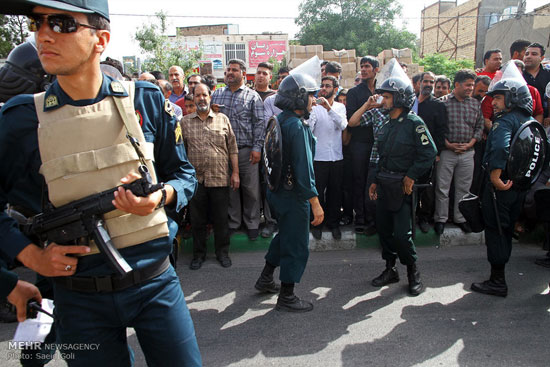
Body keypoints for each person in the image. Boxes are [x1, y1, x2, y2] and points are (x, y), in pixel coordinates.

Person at [0, 1, 201, 365]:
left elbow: (185, 175)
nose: (43, 34)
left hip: (156, 283)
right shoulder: (20, 119)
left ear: (100, 39)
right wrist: (30, 258)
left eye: (61, 23)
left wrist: (160, 198)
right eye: (37, 22)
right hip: (77, 299)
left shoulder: (146, 100)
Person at [254, 72, 324, 312]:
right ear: (299, 97)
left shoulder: (279, 119)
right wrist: (314, 202)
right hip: (294, 195)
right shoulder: (297, 126)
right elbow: (304, 170)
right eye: (311, 97)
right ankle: (287, 296)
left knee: (284, 235)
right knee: (295, 243)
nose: (314, 101)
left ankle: (265, 277)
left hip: (277, 192)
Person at [368, 70, 437, 296]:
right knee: (385, 231)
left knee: (402, 235)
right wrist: (375, 181)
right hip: (384, 183)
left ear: (399, 98)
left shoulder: (414, 123)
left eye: (387, 97)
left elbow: (429, 152)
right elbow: (381, 156)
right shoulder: (386, 124)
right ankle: (390, 269)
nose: (383, 100)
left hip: (402, 186)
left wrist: (411, 175)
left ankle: (413, 273)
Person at [471, 73, 537, 297]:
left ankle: (497, 281)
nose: (494, 102)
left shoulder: (505, 121)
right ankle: (498, 276)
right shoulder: (531, 122)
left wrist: (495, 176)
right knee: (506, 230)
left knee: (496, 230)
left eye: (498, 98)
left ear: (513, 98)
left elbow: (500, 147)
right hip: (519, 188)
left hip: (501, 189)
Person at [181, 83, 239, 270]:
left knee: (221, 220)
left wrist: (235, 172)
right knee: (198, 221)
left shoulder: (223, 119)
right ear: (193, 98)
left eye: (204, 95)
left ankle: (223, 253)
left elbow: (233, 149)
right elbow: (181, 152)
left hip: (219, 177)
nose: (201, 99)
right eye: (197, 96)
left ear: (210, 97)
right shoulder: (185, 122)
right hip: (196, 180)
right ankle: (198, 255)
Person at [211, 59, 265, 240]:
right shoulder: (217, 95)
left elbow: (259, 124)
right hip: (223, 151)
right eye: (228, 70)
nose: (230, 73)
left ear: (243, 73)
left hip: (246, 150)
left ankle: (252, 223)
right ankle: (234, 222)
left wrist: (257, 148)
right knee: (230, 189)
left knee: (251, 188)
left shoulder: (252, 96)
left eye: (234, 70)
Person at [434, 69, 484, 235]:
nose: (471, 88)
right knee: (442, 187)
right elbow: (438, 128)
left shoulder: (475, 104)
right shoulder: (443, 102)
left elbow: (479, 127)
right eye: (467, 85)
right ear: (457, 84)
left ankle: (460, 218)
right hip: (447, 152)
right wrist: (447, 145)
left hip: (467, 152)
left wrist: (471, 143)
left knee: (463, 188)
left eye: (472, 85)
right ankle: (441, 219)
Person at [309, 76, 348, 240]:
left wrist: (329, 109)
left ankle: (333, 223)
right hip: (319, 158)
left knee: (335, 192)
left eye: (327, 86)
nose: (323, 88)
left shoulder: (340, 107)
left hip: (337, 158)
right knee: (318, 193)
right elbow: (310, 128)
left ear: (335, 89)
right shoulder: (315, 107)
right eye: (322, 86)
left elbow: (343, 125)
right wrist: (313, 110)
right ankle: (317, 224)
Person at [345, 56, 379, 235]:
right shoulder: (354, 93)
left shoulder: (383, 90)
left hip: (379, 144)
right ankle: (360, 217)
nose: (364, 70)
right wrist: (368, 106)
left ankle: (374, 218)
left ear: (376, 69)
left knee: (374, 181)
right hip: (360, 143)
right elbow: (350, 121)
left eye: (367, 66)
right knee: (359, 181)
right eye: (362, 67)